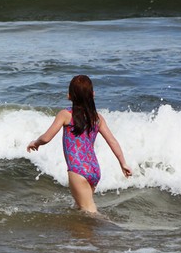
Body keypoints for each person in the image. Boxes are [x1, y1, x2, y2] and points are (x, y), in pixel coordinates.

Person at [27, 75, 132, 213]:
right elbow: (112, 141)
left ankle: (111, 231)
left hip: (78, 170)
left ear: (69, 96)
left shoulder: (65, 115)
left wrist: (36, 143)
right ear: (93, 94)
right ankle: (81, 234)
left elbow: (46, 138)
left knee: (89, 211)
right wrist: (122, 163)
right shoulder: (97, 118)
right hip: (94, 169)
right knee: (80, 207)